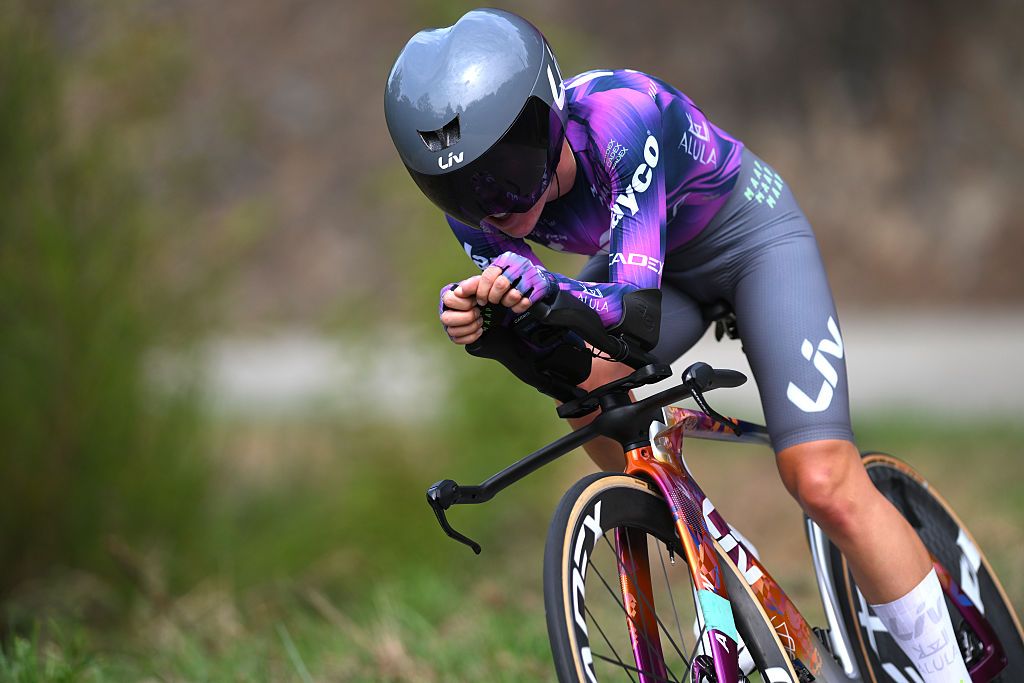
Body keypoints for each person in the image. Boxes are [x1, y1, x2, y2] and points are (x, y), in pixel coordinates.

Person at [384, 8, 969, 682]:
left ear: (550, 114)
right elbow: (564, 353)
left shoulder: (619, 116)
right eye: (458, 188)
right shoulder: (479, 215)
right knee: (578, 389)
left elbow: (633, 316)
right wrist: (492, 330)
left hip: (749, 246)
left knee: (821, 479)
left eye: (510, 167)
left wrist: (541, 289)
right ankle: (714, 577)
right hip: (657, 272)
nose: (494, 203)